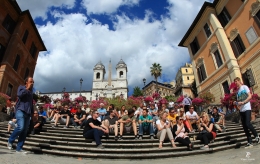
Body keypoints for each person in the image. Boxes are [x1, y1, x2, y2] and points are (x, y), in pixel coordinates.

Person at [7, 77, 34, 153]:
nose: (32, 83)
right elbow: (19, 95)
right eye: (31, 81)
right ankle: (10, 141)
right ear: (26, 82)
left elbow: (31, 103)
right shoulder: (21, 87)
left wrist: (32, 112)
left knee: (24, 131)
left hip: (28, 113)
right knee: (20, 127)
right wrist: (27, 88)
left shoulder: (31, 92)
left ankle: (19, 148)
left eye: (33, 82)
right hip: (20, 110)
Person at [233, 77, 259, 148]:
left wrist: (244, 102)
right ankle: (249, 141)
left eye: (236, 81)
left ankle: (257, 136)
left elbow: (250, 96)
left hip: (247, 108)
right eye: (234, 82)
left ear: (239, 81)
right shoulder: (237, 92)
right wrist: (236, 103)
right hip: (241, 110)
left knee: (248, 123)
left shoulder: (244, 87)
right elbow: (239, 102)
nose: (235, 83)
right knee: (244, 126)